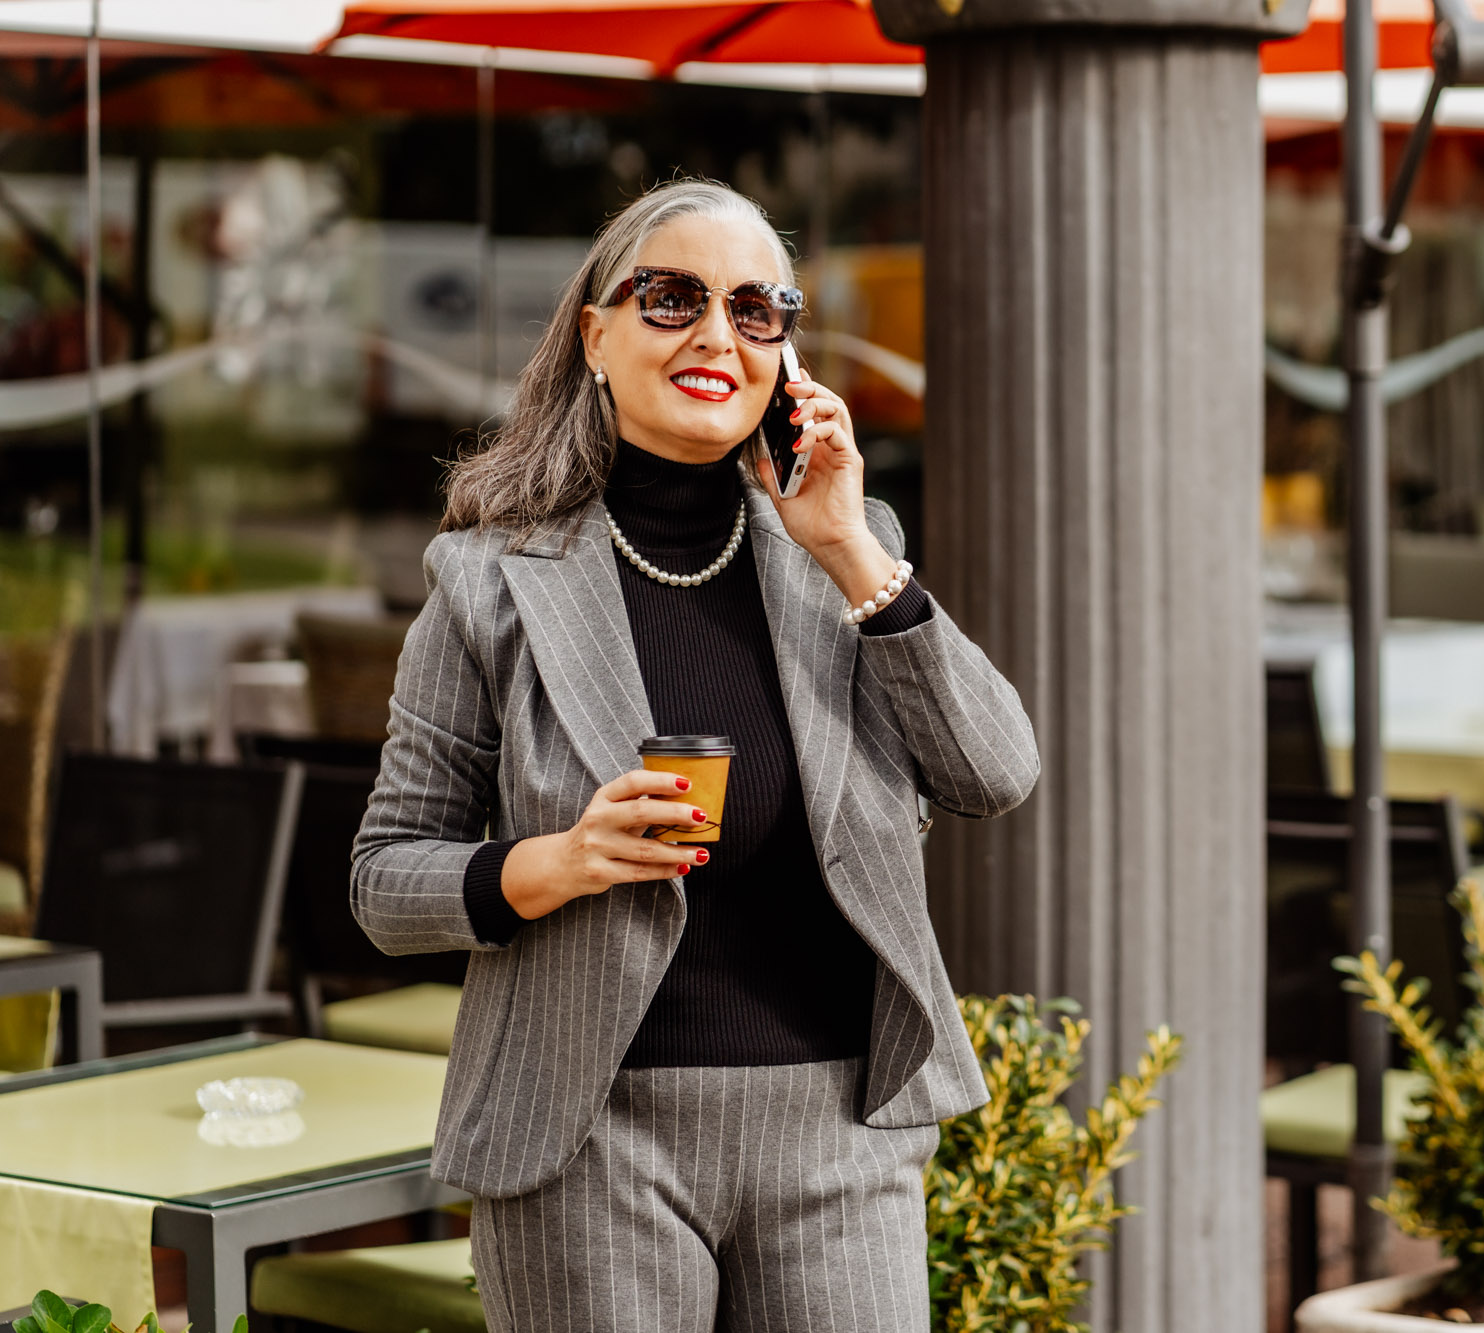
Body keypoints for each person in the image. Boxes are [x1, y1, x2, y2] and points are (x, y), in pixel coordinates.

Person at [351, 178, 1039, 1333]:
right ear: (596, 332)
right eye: (671, 298)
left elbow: (994, 771)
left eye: (756, 308)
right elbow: (384, 880)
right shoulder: (486, 581)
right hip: (588, 1138)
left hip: (839, 1130)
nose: (716, 333)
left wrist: (848, 549)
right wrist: (557, 861)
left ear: (782, 352)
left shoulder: (841, 559)